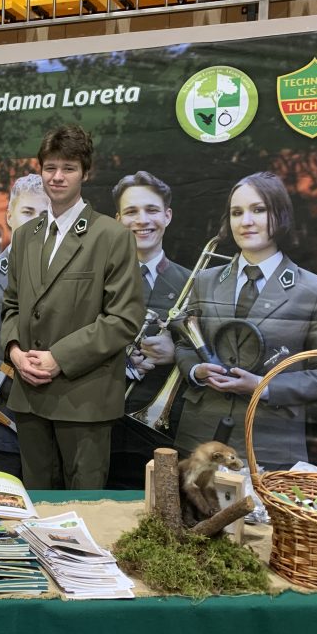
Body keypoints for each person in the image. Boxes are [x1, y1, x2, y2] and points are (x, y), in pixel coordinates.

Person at [1, 125, 144, 490]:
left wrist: (59, 358)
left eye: (68, 168)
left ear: (85, 172)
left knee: (84, 508)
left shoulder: (112, 236)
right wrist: (14, 352)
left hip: (84, 400)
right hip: (29, 397)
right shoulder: (24, 236)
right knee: (36, 503)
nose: (57, 176)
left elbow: (124, 319)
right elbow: (11, 305)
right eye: (50, 167)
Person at [174, 171, 317, 469]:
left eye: (258, 210)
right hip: (199, 436)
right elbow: (184, 343)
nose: (246, 221)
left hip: (270, 444)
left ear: (280, 215)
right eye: (236, 212)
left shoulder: (314, 290)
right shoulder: (204, 280)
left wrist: (261, 386)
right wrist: (196, 371)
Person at [107, 171, 192, 488]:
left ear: (167, 216)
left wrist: (176, 353)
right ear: (118, 220)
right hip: (101, 424)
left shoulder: (194, 282)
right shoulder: (97, 278)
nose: (142, 220)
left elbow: (213, 356)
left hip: (164, 432)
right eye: (131, 211)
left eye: (152, 210)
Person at [0, 173, 50, 478]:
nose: (36, 222)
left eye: (44, 214)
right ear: (9, 216)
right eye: (28, 212)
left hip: (50, 424)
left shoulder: (70, 278)